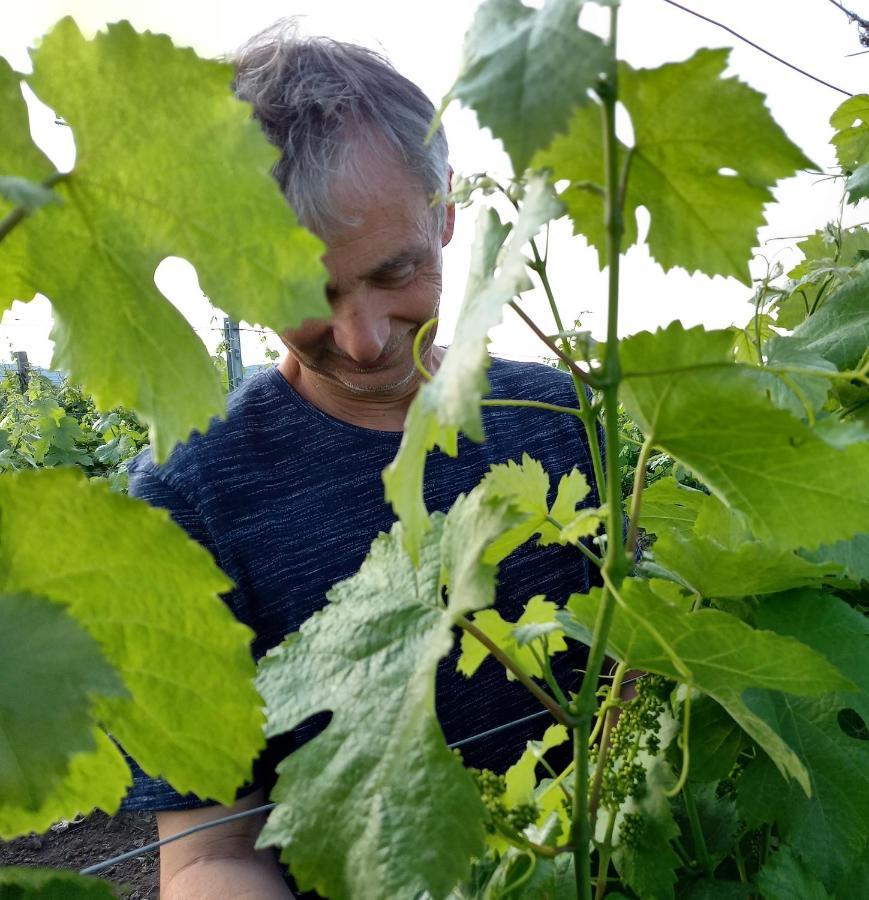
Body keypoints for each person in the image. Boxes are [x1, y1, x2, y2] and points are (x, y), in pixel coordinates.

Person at [121, 20, 599, 899]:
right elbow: (207, 852)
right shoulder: (186, 501)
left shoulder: (566, 417)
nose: (365, 337)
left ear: (447, 212)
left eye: (396, 271)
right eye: (308, 294)